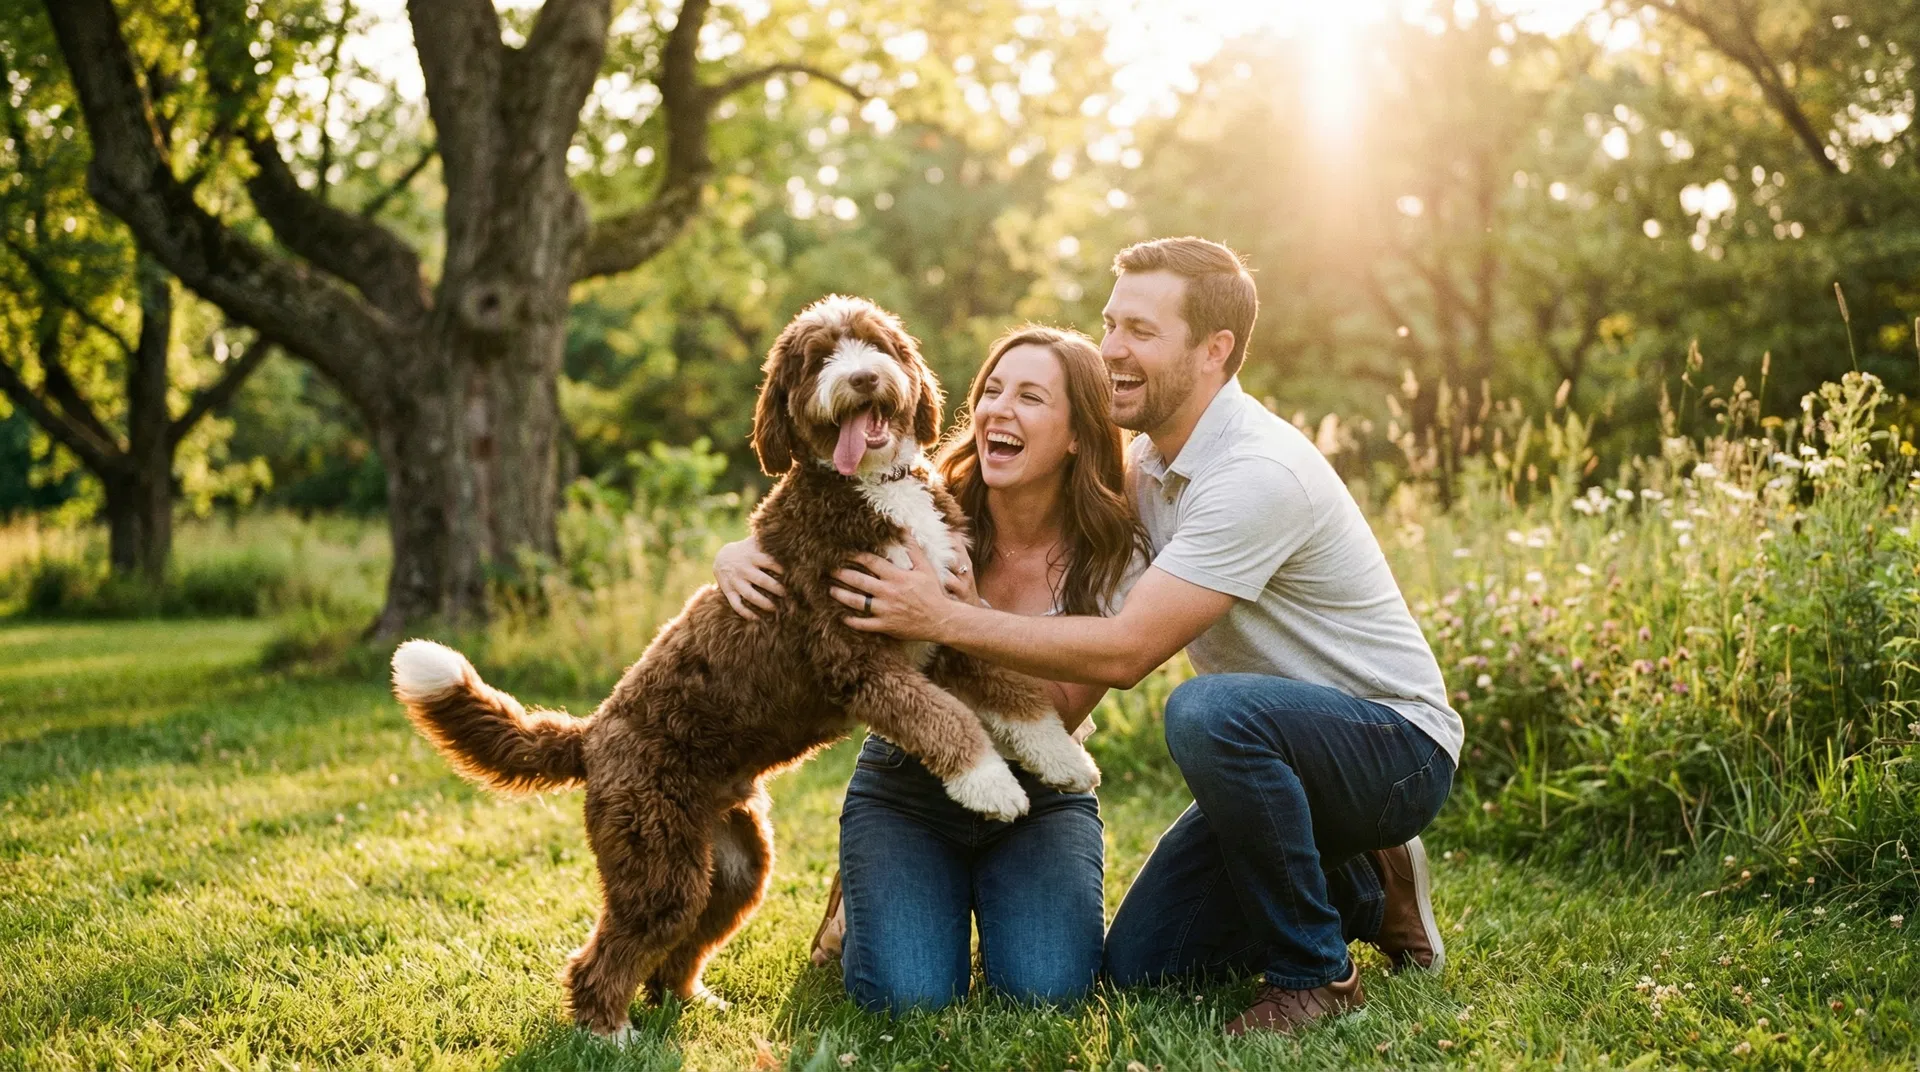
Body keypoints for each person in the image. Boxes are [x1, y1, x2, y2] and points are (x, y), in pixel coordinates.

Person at [828, 237, 1463, 1036]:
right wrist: (737, 551)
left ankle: (1315, 972)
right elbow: (830, 506)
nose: (1113, 351)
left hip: (1389, 746)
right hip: (1269, 759)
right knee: (1141, 969)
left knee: (1207, 713)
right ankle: (1361, 882)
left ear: (1214, 350)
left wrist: (948, 618)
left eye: (1141, 331)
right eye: (1110, 323)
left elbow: (1127, 652)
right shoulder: (1143, 471)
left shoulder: (1253, 474)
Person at [714, 325, 1146, 1011]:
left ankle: (964, 892)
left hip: (1043, 794)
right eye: (991, 392)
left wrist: (955, 618)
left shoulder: (1113, 550)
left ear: (1076, 433)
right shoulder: (924, 489)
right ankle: (872, 893)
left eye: (1031, 397)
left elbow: (1059, 710)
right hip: (907, 784)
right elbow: (812, 521)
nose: (999, 411)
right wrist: (735, 556)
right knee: (907, 996)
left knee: (1046, 992)